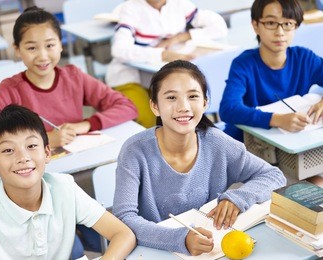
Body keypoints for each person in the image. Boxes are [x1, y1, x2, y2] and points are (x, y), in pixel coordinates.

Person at [112, 60, 286, 256]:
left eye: (193, 96)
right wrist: (180, 239)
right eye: (171, 98)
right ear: (155, 106)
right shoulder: (135, 151)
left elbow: (274, 176)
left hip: (211, 249)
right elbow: (123, 218)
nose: (183, 107)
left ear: (205, 103)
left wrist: (238, 198)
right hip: (153, 250)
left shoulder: (216, 142)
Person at [0, 104, 136, 259]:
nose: (23, 158)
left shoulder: (64, 188)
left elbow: (123, 234)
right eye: (8, 150)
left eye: (31, 145)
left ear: (47, 153)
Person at [0, 6, 137, 158]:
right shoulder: (9, 90)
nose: (43, 56)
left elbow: (127, 107)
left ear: (61, 44)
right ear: (17, 50)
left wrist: (86, 125)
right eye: (32, 48)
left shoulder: (74, 77)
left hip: (79, 164)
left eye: (50, 45)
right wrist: (40, 140)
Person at [105, 0, 228, 128]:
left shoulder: (179, 4)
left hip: (168, 78)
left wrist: (179, 37)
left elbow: (219, 27)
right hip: (131, 78)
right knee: (153, 123)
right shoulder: (130, 8)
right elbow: (119, 50)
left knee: (185, 115)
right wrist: (162, 54)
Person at [219, 0, 323, 142]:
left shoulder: (305, 58)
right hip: (245, 143)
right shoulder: (243, 64)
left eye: (287, 24)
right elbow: (228, 109)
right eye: (270, 23)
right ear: (256, 26)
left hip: (288, 141)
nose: (279, 32)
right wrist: (276, 119)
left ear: (296, 27)